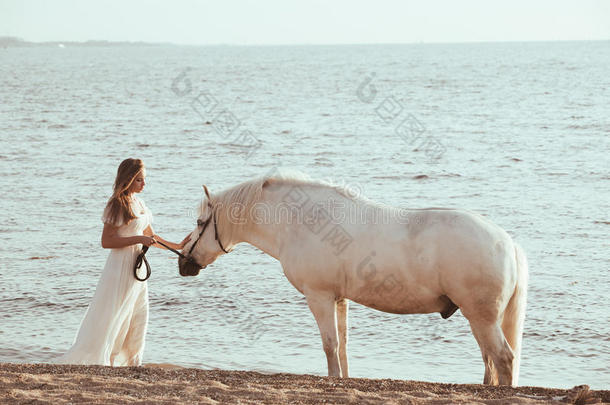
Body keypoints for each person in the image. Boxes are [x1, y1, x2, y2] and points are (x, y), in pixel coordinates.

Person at [57, 158, 190, 366]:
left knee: (138, 313)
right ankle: (108, 359)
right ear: (128, 179)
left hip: (136, 267)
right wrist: (138, 240)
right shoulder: (116, 205)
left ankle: (132, 360)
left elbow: (151, 237)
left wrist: (179, 246)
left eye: (144, 179)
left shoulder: (140, 203)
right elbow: (106, 241)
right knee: (116, 313)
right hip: (119, 267)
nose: (143, 184)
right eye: (139, 180)